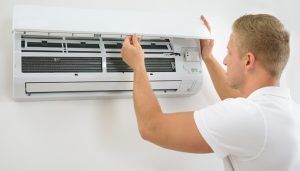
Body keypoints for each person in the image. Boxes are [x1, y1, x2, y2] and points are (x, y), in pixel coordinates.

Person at [120, 14, 300, 171]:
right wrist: (207, 57)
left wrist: (138, 65)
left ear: (248, 61)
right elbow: (240, 104)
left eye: (229, 53)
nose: (225, 60)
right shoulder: (289, 111)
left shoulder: (249, 116)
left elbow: (151, 128)